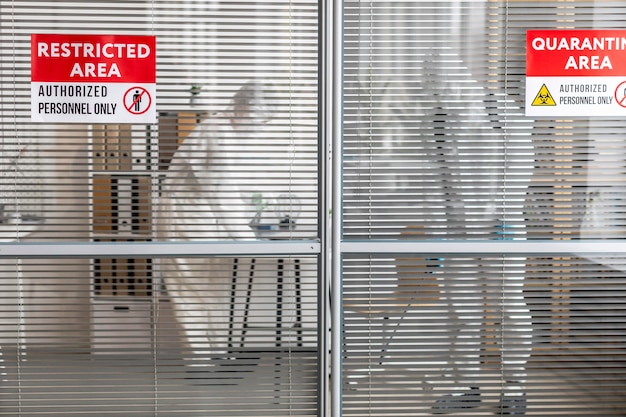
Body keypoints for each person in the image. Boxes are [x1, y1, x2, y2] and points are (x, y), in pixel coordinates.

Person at [159, 80, 295, 361]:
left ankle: (218, 355)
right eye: (261, 119)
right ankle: (200, 362)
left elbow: (241, 183)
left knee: (212, 286)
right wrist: (249, 241)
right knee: (191, 286)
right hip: (186, 215)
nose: (262, 126)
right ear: (244, 109)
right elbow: (221, 190)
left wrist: (267, 201)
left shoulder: (231, 134)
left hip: (205, 216)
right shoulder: (215, 131)